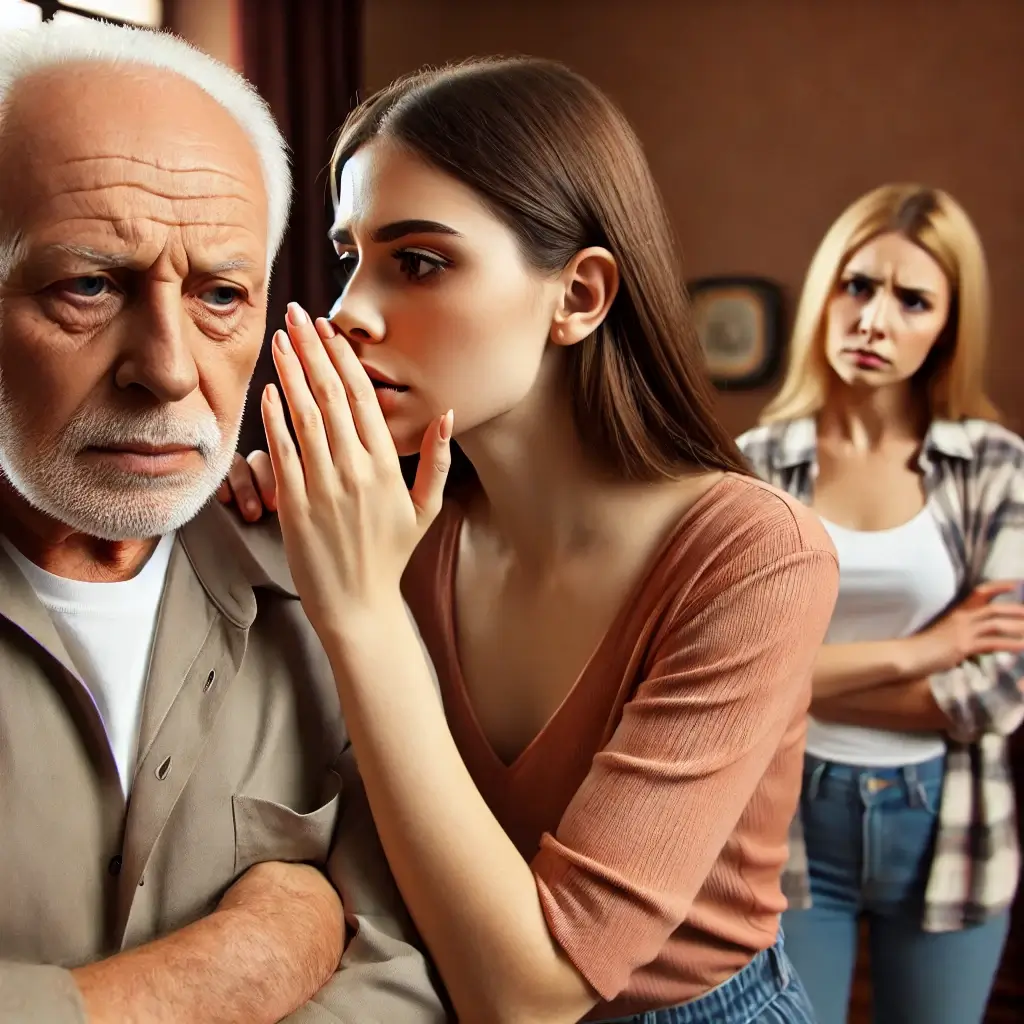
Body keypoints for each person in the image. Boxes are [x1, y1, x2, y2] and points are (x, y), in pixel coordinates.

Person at [220, 57, 840, 1024]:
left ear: (581, 297)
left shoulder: (755, 555)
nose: (350, 315)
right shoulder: (397, 521)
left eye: (419, 261)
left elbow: (534, 994)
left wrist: (362, 610)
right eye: (351, 257)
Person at [0, 21, 443, 1024]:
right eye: (88, 284)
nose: (166, 368)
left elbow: (407, 969)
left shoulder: (334, 585)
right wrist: (215, 971)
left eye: (220, 295)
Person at [736, 184, 1024, 1024]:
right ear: (827, 290)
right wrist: (924, 650)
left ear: (948, 325)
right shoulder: (754, 467)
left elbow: (995, 692)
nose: (874, 320)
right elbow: (731, 675)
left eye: (913, 300)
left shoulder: (995, 469)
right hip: (788, 815)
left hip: (948, 818)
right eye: (858, 286)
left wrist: (798, 676)